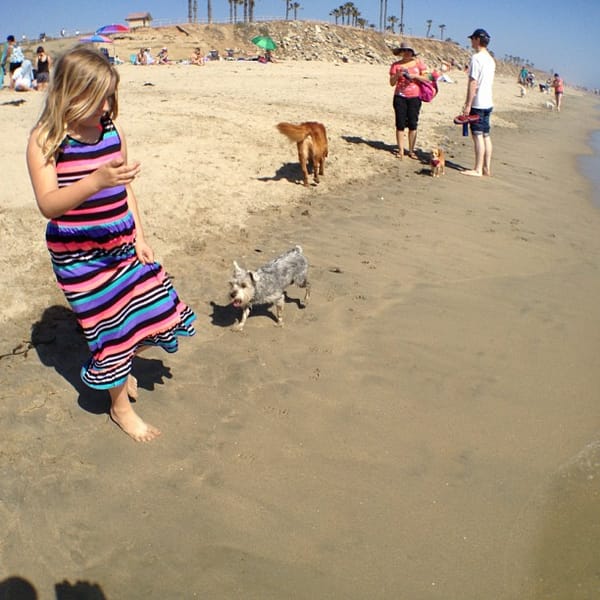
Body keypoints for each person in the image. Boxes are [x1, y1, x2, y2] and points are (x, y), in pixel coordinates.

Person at [26, 46, 196, 442]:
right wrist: (94, 182)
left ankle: (121, 368)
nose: (107, 106)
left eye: (110, 96)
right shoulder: (46, 139)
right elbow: (49, 205)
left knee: (146, 313)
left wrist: (140, 237)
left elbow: (126, 191)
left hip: (121, 244)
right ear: (72, 93)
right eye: (100, 97)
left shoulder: (111, 131)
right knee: (109, 333)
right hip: (79, 258)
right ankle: (120, 408)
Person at [460, 28, 495, 177]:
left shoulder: (476, 58)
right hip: (488, 102)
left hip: (478, 103)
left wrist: (468, 104)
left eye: (472, 39)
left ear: (477, 40)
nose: (471, 42)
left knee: (478, 135)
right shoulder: (491, 59)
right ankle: (486, 167)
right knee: (486, 135)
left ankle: (478, 169)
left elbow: (473, 82)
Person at [388, 42, 429, 160]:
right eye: (404, 50)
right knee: (400, 124)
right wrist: (397, 75)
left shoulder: (419, 64)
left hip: (415, 97)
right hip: (400, 97)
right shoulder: (395, 65)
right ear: (401, 52)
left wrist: (415, 76)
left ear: (412, 52)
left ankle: (411, 150)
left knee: (413, 124)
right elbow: (391, 83)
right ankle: (400, 150)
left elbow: (428, 78)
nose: (407, 53)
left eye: (409, 50)